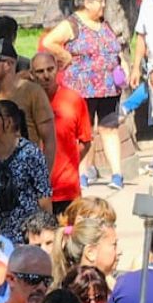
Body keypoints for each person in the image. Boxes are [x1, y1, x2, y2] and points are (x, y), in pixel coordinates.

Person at [39, 0, 125, 189]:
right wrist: (65, 56)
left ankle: (116, 175)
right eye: (99, 1)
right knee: (84, 133)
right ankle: (82, 173)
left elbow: (115, 49)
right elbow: (50, 41)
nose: (103, 4)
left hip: (108, 88)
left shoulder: (105, 24)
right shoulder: (72, 24)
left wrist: (124, 66)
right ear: (87, 3)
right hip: (82, 88)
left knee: (109, 128)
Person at [0, 40, 57, 173]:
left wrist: (43, 178)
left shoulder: (33, 92)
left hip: (26, 171)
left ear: (8, 64)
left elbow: (49, 140)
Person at [0, 99, 52, 245]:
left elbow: (43, 196)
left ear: (7, 122)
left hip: (25, 233)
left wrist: (47, 231)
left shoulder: (30, 152)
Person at [29, 53, 90, 212]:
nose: (46, 76)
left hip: (67, 190)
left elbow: (85, 141)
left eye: (50, 69)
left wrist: (69, 163)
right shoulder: (26, 102)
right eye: (40, 72)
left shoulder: (74, 100)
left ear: (57, 69)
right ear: (32, 74)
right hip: (35, 191)